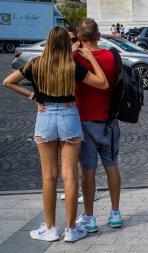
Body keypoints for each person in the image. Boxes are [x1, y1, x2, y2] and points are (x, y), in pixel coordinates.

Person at [2, 26, 109, 242]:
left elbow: (8, 82)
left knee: (48, 176)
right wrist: (89, 57)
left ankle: (50, 228)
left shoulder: (35, 64)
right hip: (69, 115)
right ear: (66, 44)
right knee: (70, 176)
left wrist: (33, 96)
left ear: (49, 42)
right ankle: (71, 229)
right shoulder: (72, 65)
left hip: (45, 116)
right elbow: (103, 83)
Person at [74, 18, 123, 232]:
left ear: (79, 38)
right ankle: (115, 213)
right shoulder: (113, 56)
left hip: (84, 120)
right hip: (110, 121)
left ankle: (90, 217)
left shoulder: (74, 58)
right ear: (99, 36)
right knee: (112, 165)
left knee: (88, 171)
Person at [58, 25, 100, 204]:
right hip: (68, 111)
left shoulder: (82, 57)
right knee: (70, 156)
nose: (71, 43)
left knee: (85, 157)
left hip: (86, 110)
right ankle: (72, 187)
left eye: (74, 39)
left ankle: (90, 190)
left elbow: (99, 82)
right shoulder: (60, 59)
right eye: (67, 40)